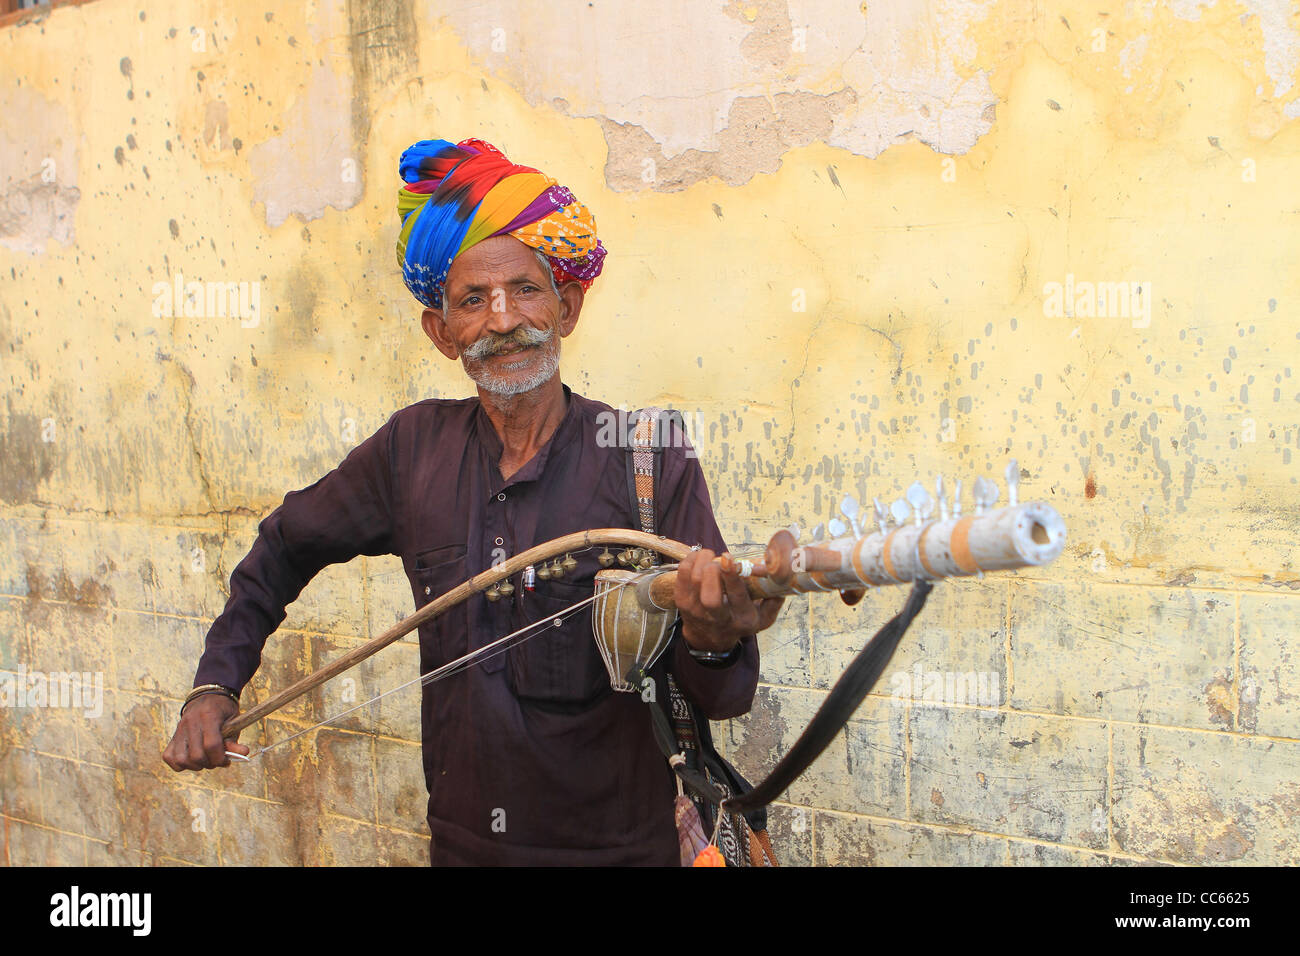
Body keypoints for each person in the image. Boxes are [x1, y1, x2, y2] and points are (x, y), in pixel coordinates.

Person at [162, 137, 783, 864]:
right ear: (441, 332)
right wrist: (214, 683)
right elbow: (285, 544)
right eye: (472, 300)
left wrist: (715, 641)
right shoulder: (410, 449)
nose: (501, 319)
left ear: (567, 307)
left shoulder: (646, 456)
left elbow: (724, 696)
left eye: (526, 290)